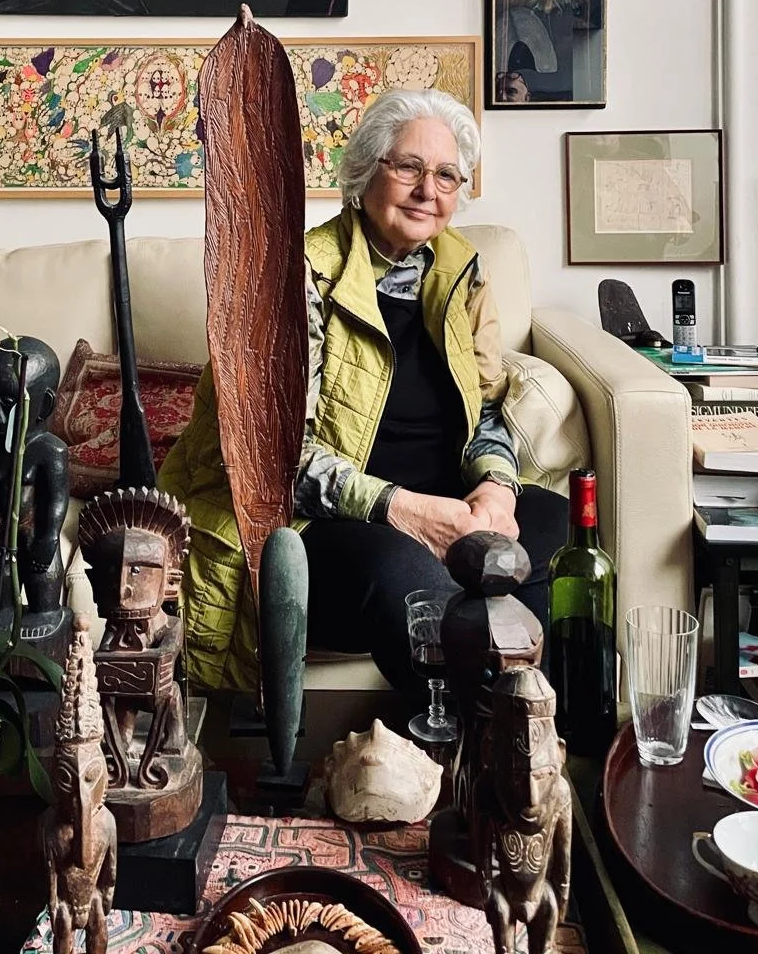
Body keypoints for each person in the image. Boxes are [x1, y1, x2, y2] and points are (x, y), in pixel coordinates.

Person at [159, 89, 569, 695]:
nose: (428, 191)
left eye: (447, 175)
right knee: (404, 570)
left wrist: (496, 487)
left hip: (443, 500)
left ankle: (528, 712)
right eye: (409, 167)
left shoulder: (462, 273)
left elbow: (486, 405)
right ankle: (464, 734)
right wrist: (405, 511)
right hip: (315, 520)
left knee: (553, 525)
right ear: (364, 172)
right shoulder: (295, 276)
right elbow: (268, 460)